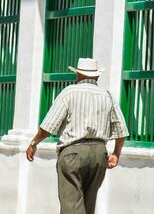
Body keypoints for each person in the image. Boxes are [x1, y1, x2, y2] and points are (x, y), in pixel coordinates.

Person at [26, 57, 128, 214]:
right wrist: (116, 153)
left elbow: (49, 125)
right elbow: (121, 129)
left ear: (78, 75)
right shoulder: (107, 95)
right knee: (88, 205)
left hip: (73, 153)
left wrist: (34, 143)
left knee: (71, 207)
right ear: (97, 76)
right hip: (99, 153)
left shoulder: (69, 92)